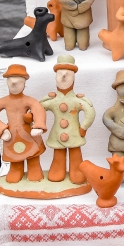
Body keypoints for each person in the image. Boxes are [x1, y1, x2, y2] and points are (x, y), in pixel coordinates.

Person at [0, 64, 47, 183]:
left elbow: (38, 109)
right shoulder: (3, 101)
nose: (14, 84)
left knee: (33, 154)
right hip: (11, 135)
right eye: (11, 82)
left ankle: (34, 169)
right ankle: (16, 170)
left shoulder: (29, 101)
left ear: (24, 83)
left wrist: (38, 125)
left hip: (28, 133)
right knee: (14, 156)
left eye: (19, 82)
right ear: (7, 83)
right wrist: (1, 129)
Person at [40, 55, 95, 184]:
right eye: (59, 74)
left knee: (75, 153)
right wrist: (36, 121)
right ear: (55, 77)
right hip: (57, 133)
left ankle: (77, 171)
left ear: (74, 78)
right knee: (58, 152)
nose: (63, 77)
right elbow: (40, 108)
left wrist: (83, 127)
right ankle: (58, 169)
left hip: (75, 132)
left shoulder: (77, 100)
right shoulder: (52, 99)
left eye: (68, 74)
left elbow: (90, 112)